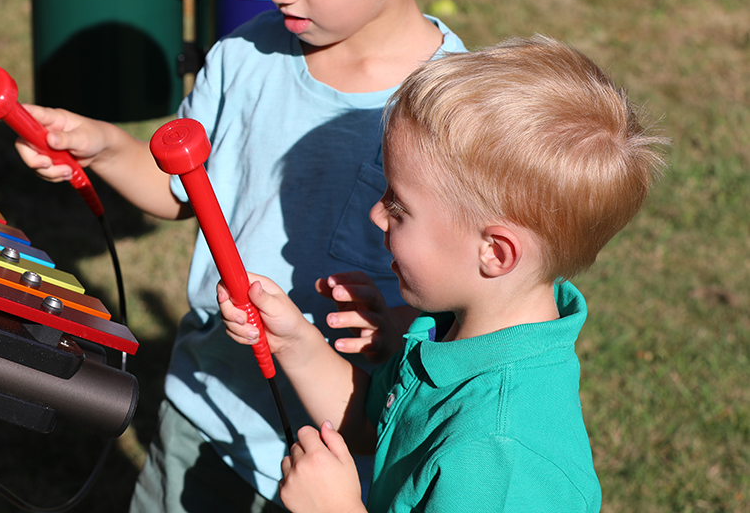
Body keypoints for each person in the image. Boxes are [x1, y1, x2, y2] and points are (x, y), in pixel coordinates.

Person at [14, 0, 467, 511]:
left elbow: (473, 292)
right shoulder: (245, 55)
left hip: (345, 429)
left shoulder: (455, 105)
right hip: (204, 402)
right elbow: (180, 191)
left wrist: (399, 327)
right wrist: (105, 148)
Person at [218, 37, 668, 512]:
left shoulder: (499, 459)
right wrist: (293, 341)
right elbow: (378, 422)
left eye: (398, 206)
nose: (376, 214)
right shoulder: (459, 332)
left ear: (494, 253)